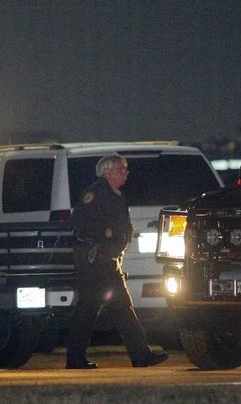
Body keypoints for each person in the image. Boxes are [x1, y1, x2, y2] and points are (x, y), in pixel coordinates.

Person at [65, 154, 168, 369]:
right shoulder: (95, 194)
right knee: (97, 308)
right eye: (121, 169)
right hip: (95, 261)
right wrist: (104, 234)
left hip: (108, 260)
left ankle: (140, 356)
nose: (125, 173)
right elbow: (79, 223)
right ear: (107, 171)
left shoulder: (116, 195)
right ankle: (78, 359)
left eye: (125, 169)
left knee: (114, 308)